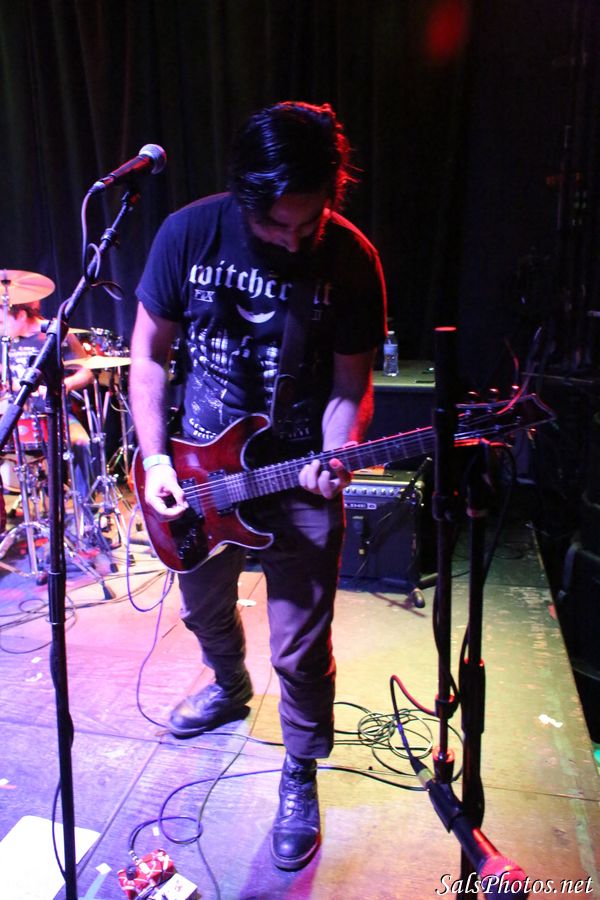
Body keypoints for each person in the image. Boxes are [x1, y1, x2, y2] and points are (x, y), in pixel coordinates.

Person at [130, 101, 387, 871]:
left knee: (302, 649)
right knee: (202, 607)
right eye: (278, 225)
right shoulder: (188, 234)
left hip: (297, 479)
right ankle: (229, 687)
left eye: (311, 223)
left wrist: (337, 454)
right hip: (198, 475)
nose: (295, 239)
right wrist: (156, 461)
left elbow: (351, 386)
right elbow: (149, 355)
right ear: (247, 196)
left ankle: (300, 771)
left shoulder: (350, 259)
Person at [0, 300, 95, 503]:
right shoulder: (6, 343)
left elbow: (86, 373)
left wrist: (63, 385)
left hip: (56, 414)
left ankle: (86, 509)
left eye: (2, 322)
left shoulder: (57, 334)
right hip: (17, 417)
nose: (1, 327)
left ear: (21, 315)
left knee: (81, 443)